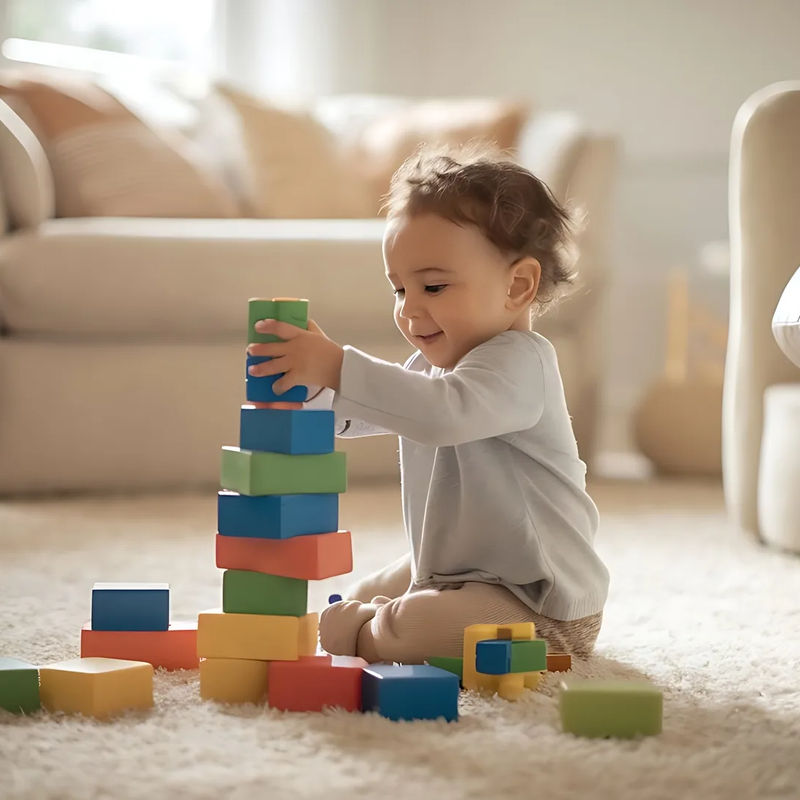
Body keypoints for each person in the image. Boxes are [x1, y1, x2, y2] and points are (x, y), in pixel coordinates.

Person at [246, 142, 610, 665]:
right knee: (376, 585)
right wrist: (310, 393)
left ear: (518, 285)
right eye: (399, 289)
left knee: (418, 623)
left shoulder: (521, 362)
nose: (410, 309)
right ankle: (368, 615)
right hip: (464, 570)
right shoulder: (434, 371)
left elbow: (442, 413)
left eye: (434, 286)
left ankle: (372, 632)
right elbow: (377, 411)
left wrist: (335, 364)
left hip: (542, 605)